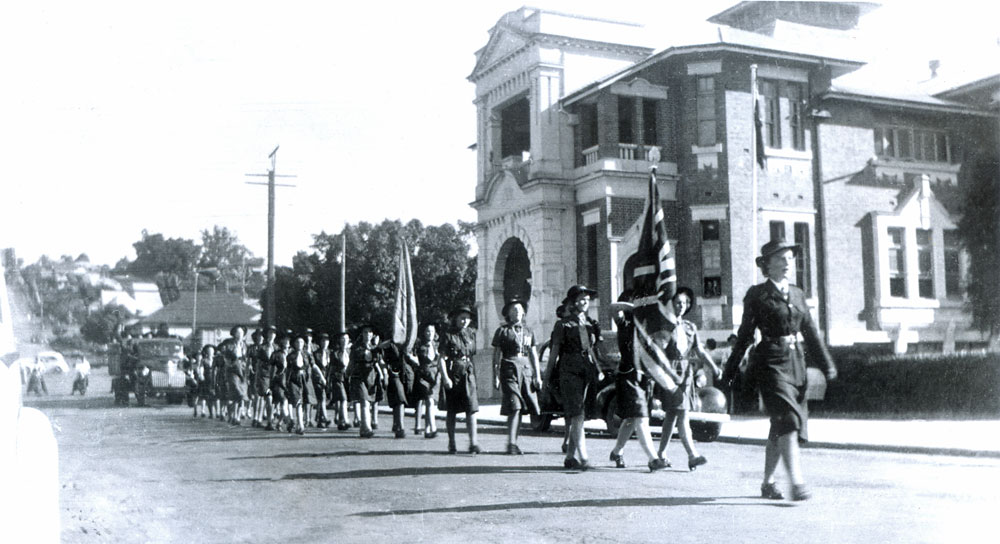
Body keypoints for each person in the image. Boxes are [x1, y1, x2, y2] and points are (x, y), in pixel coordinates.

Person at [722, 237, 838, 501]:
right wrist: (729, 371)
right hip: (770, 363)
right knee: (788, 419)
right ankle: (797, 483)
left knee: (779, 426)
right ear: (767, 265)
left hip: (796, 364)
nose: (787, 263)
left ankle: (767, 482)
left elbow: (811, 333)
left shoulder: (797, 293)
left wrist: (827, 365)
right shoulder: (757, 295)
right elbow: (744, 336)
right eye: (780, 258)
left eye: (789, 258)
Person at [655, 286, 722, 471]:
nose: (681, 306)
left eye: (684, 303)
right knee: (681, 415)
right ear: (671, 305)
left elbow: (699, 351)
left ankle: (660, 455)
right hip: (670, 373)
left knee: (671, 416)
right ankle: (692, 455)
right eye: (678, 303)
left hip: (685, 374)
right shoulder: (664, 326)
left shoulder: (690, 327)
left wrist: (714, 367)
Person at [607, 291, 667, 472]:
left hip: (645, 377)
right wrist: (634, 307)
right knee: (641, 417)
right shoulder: (624, 322)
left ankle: (617, 451)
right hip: (628, 376)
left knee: (631, 419)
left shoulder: (647, 327)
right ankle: (653, 459)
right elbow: (613, 308)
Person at [549, 284, 602, 470]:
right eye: (580, 299)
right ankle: (584, 457)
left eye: (586, 299)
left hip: (586, 372)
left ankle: (570, 456)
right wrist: (547, 376)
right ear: (572, 302)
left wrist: (598, 369)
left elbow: (593, 350)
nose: (584, 302)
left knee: (579, 415)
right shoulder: (563, 324)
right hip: (568, 371)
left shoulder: (591, 324)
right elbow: (555, 351)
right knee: (577, 413)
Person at [492, 299, 542, 455]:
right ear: (508, 314)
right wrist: (496, 375)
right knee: (515, 406)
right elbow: (496, 355)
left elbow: (533, 354)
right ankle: (511, 443)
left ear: (524, 313)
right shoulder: (502, 331)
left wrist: (537, 376)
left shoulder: (528, 331)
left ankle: (514, 442)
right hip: (509, 369)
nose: (517, 312)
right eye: (513, 310)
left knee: (520, 409)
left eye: (520, 310)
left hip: (525, 370)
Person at [440, 306, 480, 454]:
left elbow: (472, 356)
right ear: (455, 319)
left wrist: (474, 376)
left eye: (467, 318)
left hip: (467, 372)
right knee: (452, 410)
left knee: (471, 408)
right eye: (461, 318)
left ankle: (473, 443)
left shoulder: (471, 334)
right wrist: (445, 378)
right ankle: (452, 442)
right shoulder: (449, 335)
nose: (464, 321)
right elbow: (442, 359)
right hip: (454, 373)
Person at [347, 324, 383, 438]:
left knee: (369, 401)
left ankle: (363, 428)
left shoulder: (375, 348)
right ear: (361, 334)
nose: (367, 334)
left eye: (369, 332)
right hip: (359, 375)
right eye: (365, 332)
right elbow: (351, 362)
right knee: (364, 401)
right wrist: (347, 373)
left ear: (373, 335)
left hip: (371, 376)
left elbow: (379, 362)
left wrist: (383, 373)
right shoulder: (356, 348)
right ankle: (367, 427)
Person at [411, 323, 441, 438]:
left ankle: (427, 429)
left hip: (435, 376)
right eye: (427, 331)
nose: (430, 334)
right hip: (423, 376)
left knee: (431, 402)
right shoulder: (419, 346)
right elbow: (414, 357)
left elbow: (442, 359)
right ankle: (433, 427)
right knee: (429, 400)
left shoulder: (437, 346)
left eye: (432, 331)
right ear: (424, 333)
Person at [220, 325, 250, 425]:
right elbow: (224, 355)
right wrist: (229, 362)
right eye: (237, 332)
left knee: (240, 395)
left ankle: (236, 416)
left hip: (242, 370)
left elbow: (247, 358)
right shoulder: (229, 344)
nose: (240, 335)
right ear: (234, 334)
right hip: (232, 370)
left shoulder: (245, 345)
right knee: (236, 392)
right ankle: (231, 414)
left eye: (241, 333)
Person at [328, 330, 352, 431]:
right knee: (343, 398)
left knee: (345, 400)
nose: (344, 341)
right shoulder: (335, 353)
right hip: (338, 378)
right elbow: (331, 368)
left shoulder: (351, 352)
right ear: (339, 341)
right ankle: (345, 420)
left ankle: (341, 420)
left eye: (346, 339)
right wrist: (328, 380)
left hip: (348, 378)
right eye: (342, 339)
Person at [286, 336, 310, 434]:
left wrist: (321, 377)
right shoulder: (290, 356)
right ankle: (300, 425)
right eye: (297, 342)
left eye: (301, 342)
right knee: (297, 402)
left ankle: (301, 423)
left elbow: (312, 366)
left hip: (304, 379)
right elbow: (288, 370)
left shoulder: (307, 355)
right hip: (293, 380)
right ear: (294, 344)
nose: (299, 344)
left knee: (303, 401)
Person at [268, 336, 291, 431]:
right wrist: (271, 381)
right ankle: (289, 422)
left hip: (289, 380)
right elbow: (272, 369)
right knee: (283, 401)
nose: (286, 342)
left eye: (288, 340)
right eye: (284, 340)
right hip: (279, 381)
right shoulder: (276, 354)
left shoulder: (292, 353)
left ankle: (279, 422)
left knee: (284, 402)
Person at [312, 333, 332, 428]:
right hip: (318, 378)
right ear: (320, 342)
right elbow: (314, 366)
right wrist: (321, 377)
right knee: (321, 397)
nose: (325, 343)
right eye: (323, 341)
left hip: (327, 376)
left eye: (326, 341)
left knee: (322, 398)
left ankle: (319, 419)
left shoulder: (329, 353)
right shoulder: (316, 354)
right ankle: (325, 417)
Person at [195, 344, 218, 418]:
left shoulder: (216, 359)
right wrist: (201, 375)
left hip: (216, 379)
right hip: (207, 379)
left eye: (212, 351)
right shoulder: (204, 360)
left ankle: (218, 412)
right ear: (206, 352)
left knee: (217, 397)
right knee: (208, 397)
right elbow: (201, 368)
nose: (210, 352)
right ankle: (211, 413)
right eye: (209, 351)